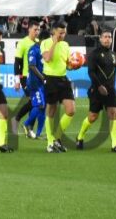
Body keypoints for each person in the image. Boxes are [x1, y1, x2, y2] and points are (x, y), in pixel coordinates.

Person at [75, 30, 116, 152]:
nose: (107, 39)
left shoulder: (114, 55)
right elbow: (91, 72)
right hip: (96, 89)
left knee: (113, 114)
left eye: (109, 37)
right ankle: (80, 136)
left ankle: (115, 144)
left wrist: (110, 87)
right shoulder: (94, 54)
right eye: (105, 37)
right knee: (92, 117)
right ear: (100, 39)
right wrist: (99, 86)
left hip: (110, 90)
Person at [41, 22, 76, 152]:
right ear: (53, 32)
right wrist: (54, 42)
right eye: (60, 33)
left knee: (71, 110)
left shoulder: (66, 45)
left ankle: (56, 137)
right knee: (51, 110)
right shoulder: (45, 43)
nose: (63, 35)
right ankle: (50, 143)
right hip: (50, 79)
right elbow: (48, 58)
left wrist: (73, 65)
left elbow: (67, 64)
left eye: (64, 32)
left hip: (63, 78)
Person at [12, 22, 41, 128]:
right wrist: (17, 81)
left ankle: (29, 128)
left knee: (36, 103)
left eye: (38, 30)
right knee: (34, 101)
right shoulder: (23, 43)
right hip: (26, 77)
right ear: (29, 29)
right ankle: (17, 119)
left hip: (37, 78)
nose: (37, 32)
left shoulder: (39, 43)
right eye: (35, 29)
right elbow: (17, 62)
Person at [20, 38, 46, 139]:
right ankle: (26, 124)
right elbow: (32, 66)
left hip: (43, 82)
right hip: (34, 83)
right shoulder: (33, 50)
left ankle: (38, 134)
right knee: (40, 105)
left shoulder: (45, 50)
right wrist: (42, 77)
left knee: (43, 108)